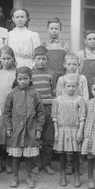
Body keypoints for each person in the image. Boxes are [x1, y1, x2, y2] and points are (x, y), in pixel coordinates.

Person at [4, 67, 45, 188]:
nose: (23, 81)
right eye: (20, 79)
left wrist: (38, 129)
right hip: (16, 130)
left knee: (29, 155)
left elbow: (41, 113)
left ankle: (28, 176)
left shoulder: (35, 94)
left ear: (30, 79)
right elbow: (6, 112)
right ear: (16, 79)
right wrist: (8, 127)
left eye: (25, 78)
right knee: (16, 156)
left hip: (30, 130)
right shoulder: (12, 94)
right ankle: (15, 176)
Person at [52, 74, 86, 188]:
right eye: (68, 86)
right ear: (64, 86)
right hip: (62, 130)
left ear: (77, 86)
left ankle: (77, 176)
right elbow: (55, 117)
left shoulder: (79, 99)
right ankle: (62, 175)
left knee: (75, 153)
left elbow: (82, 117)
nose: (71, 88)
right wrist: (56, 131)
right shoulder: (58, 100)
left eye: (73, 86)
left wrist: (80, 132)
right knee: (62, 154)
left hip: (74, 129)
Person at [0, 46, 17, 174]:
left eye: (8, 59)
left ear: (13, 59)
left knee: (10, 136)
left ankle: (9, 161)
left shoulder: (16, 72)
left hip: (12, 108)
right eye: (3, 59)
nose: (6, 61)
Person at [31, 46, 57, 175]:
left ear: (47, 59)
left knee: (48, 138)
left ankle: (47, 163)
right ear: (33, 59)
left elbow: (54, 91)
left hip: (48, 108)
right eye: (38, 59)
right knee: (35, 138)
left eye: (44, 59)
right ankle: (36, 164)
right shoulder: (30, 74)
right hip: (34, 109)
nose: (41, 61)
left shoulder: (51, 73)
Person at [77, 30, 95, 96]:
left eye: (94, 39)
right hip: (84, 86)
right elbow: (77, 73)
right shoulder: (80, 54)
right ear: (85, 41)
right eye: (89, 39)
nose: (92, 41)